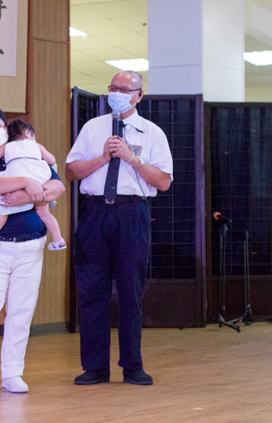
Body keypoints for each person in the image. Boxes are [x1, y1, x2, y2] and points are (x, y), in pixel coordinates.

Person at [65, 70, 173, 386]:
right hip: (95, 213)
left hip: (132, 213)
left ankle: (132, 365)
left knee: (130, 292)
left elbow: (164, 182)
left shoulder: (152, 133)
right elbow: (71, 171)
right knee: (91, 291)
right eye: (113, 87)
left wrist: (132, 159)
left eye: (125, 89)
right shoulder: (92, 127)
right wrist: (103, 158)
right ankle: (95, 367)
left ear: (139, 95)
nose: (118, 93)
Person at [0, 106, 66, 396]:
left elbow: (56, 186)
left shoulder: (27, 152)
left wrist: (23, 193)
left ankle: (12, 373)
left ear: (7, 127)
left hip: (31, 246)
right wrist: (27, 184)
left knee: (21, 311)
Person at [0, 119, 65, 255]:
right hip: (38, 181)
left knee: (2, 211)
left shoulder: (8, 146)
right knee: (45, 214)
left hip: (16, 178)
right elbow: (52, 160)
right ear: (27, 133)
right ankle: (58, 239)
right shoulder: (37, 146)